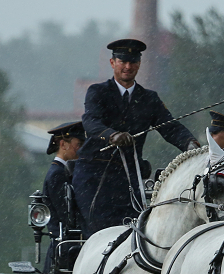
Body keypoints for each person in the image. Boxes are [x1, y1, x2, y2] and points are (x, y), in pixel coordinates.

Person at [73, 38, 200, 236]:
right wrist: (112, 135)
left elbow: (170, 128)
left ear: (139, 65)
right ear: (112, 63)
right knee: (99, 232)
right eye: (122, 61)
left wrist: (190, 144)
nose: (127, 67)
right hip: (94, 175)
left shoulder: (149, 98)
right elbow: (91, 122)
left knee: (133, 232)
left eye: (132, 62)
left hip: (129, 179)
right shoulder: (97, 92)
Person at [42, 120, 84, 274]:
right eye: (78, 144)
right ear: (63, 144)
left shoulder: (62, 172)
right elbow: (66, 215)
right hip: (65, 249)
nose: (80, 150)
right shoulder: (57, 174)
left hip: (67, 247)